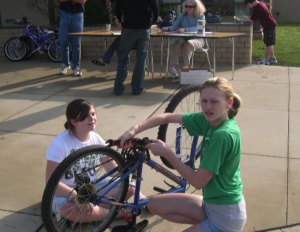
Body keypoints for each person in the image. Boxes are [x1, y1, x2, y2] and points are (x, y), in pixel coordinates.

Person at [118, 77, 247, 232]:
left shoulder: (222, 135)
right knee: (152, 205)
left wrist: (167, 153)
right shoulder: (210, 120)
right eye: (204, 101)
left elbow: (198, 182)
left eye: (214, 101)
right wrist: (133, 130)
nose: (207, 107)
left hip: (225, 216)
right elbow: (166, 117)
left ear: (229, 103)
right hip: (210, 206)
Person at [45, 99, 146, 223]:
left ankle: (87, 215)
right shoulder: (60, 144)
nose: (92, 118)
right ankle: (119, 212)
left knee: (129, 187)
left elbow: (113, 169)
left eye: (93, 114)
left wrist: (138, 194)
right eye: (85, 116)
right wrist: (77, 197)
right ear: (73, 122)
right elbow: (51, 183)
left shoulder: (96, 138)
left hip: (91, 189)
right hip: (66, 192)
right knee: (66, 209)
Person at [114, 0, 158, 96]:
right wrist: (149, 23)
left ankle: (118, 88)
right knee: (141, 60)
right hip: (144, 28)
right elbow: (155, 11)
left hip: (128, 28)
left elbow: (117, 9)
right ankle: (137, 88)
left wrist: (122, 21)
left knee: (123, 58)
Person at [162, 0, 206, 78]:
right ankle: (172, 67)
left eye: (190, 7)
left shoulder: (201, 16)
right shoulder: (182, 16)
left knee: (188, 44)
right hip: (183, 38)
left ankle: (186, 67)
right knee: (176, 42)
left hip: (197, 39)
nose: (188, 8)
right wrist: (167, 28)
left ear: (196, 7)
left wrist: (185, 29)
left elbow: (198, 28)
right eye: (186, 6)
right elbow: (174, 27)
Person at [235, 0, 277, 65]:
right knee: (268, 42)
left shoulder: (259, 7)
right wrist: (248, 18)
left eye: (249, 5)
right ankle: (272, 58)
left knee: (269, 44)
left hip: (269, 25)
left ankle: (265, 60)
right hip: (268, 26)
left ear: (254, 2)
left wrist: (239, 20)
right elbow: (253, 17)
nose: (248, 6)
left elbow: (251, 20)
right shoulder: (259, 4)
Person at [58, 0, 86, 77]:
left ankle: (76, 66)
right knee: (63, 41)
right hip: (64, 14)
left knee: (76, 43)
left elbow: (82, 1)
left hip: (77, 15)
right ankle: (65, 64)